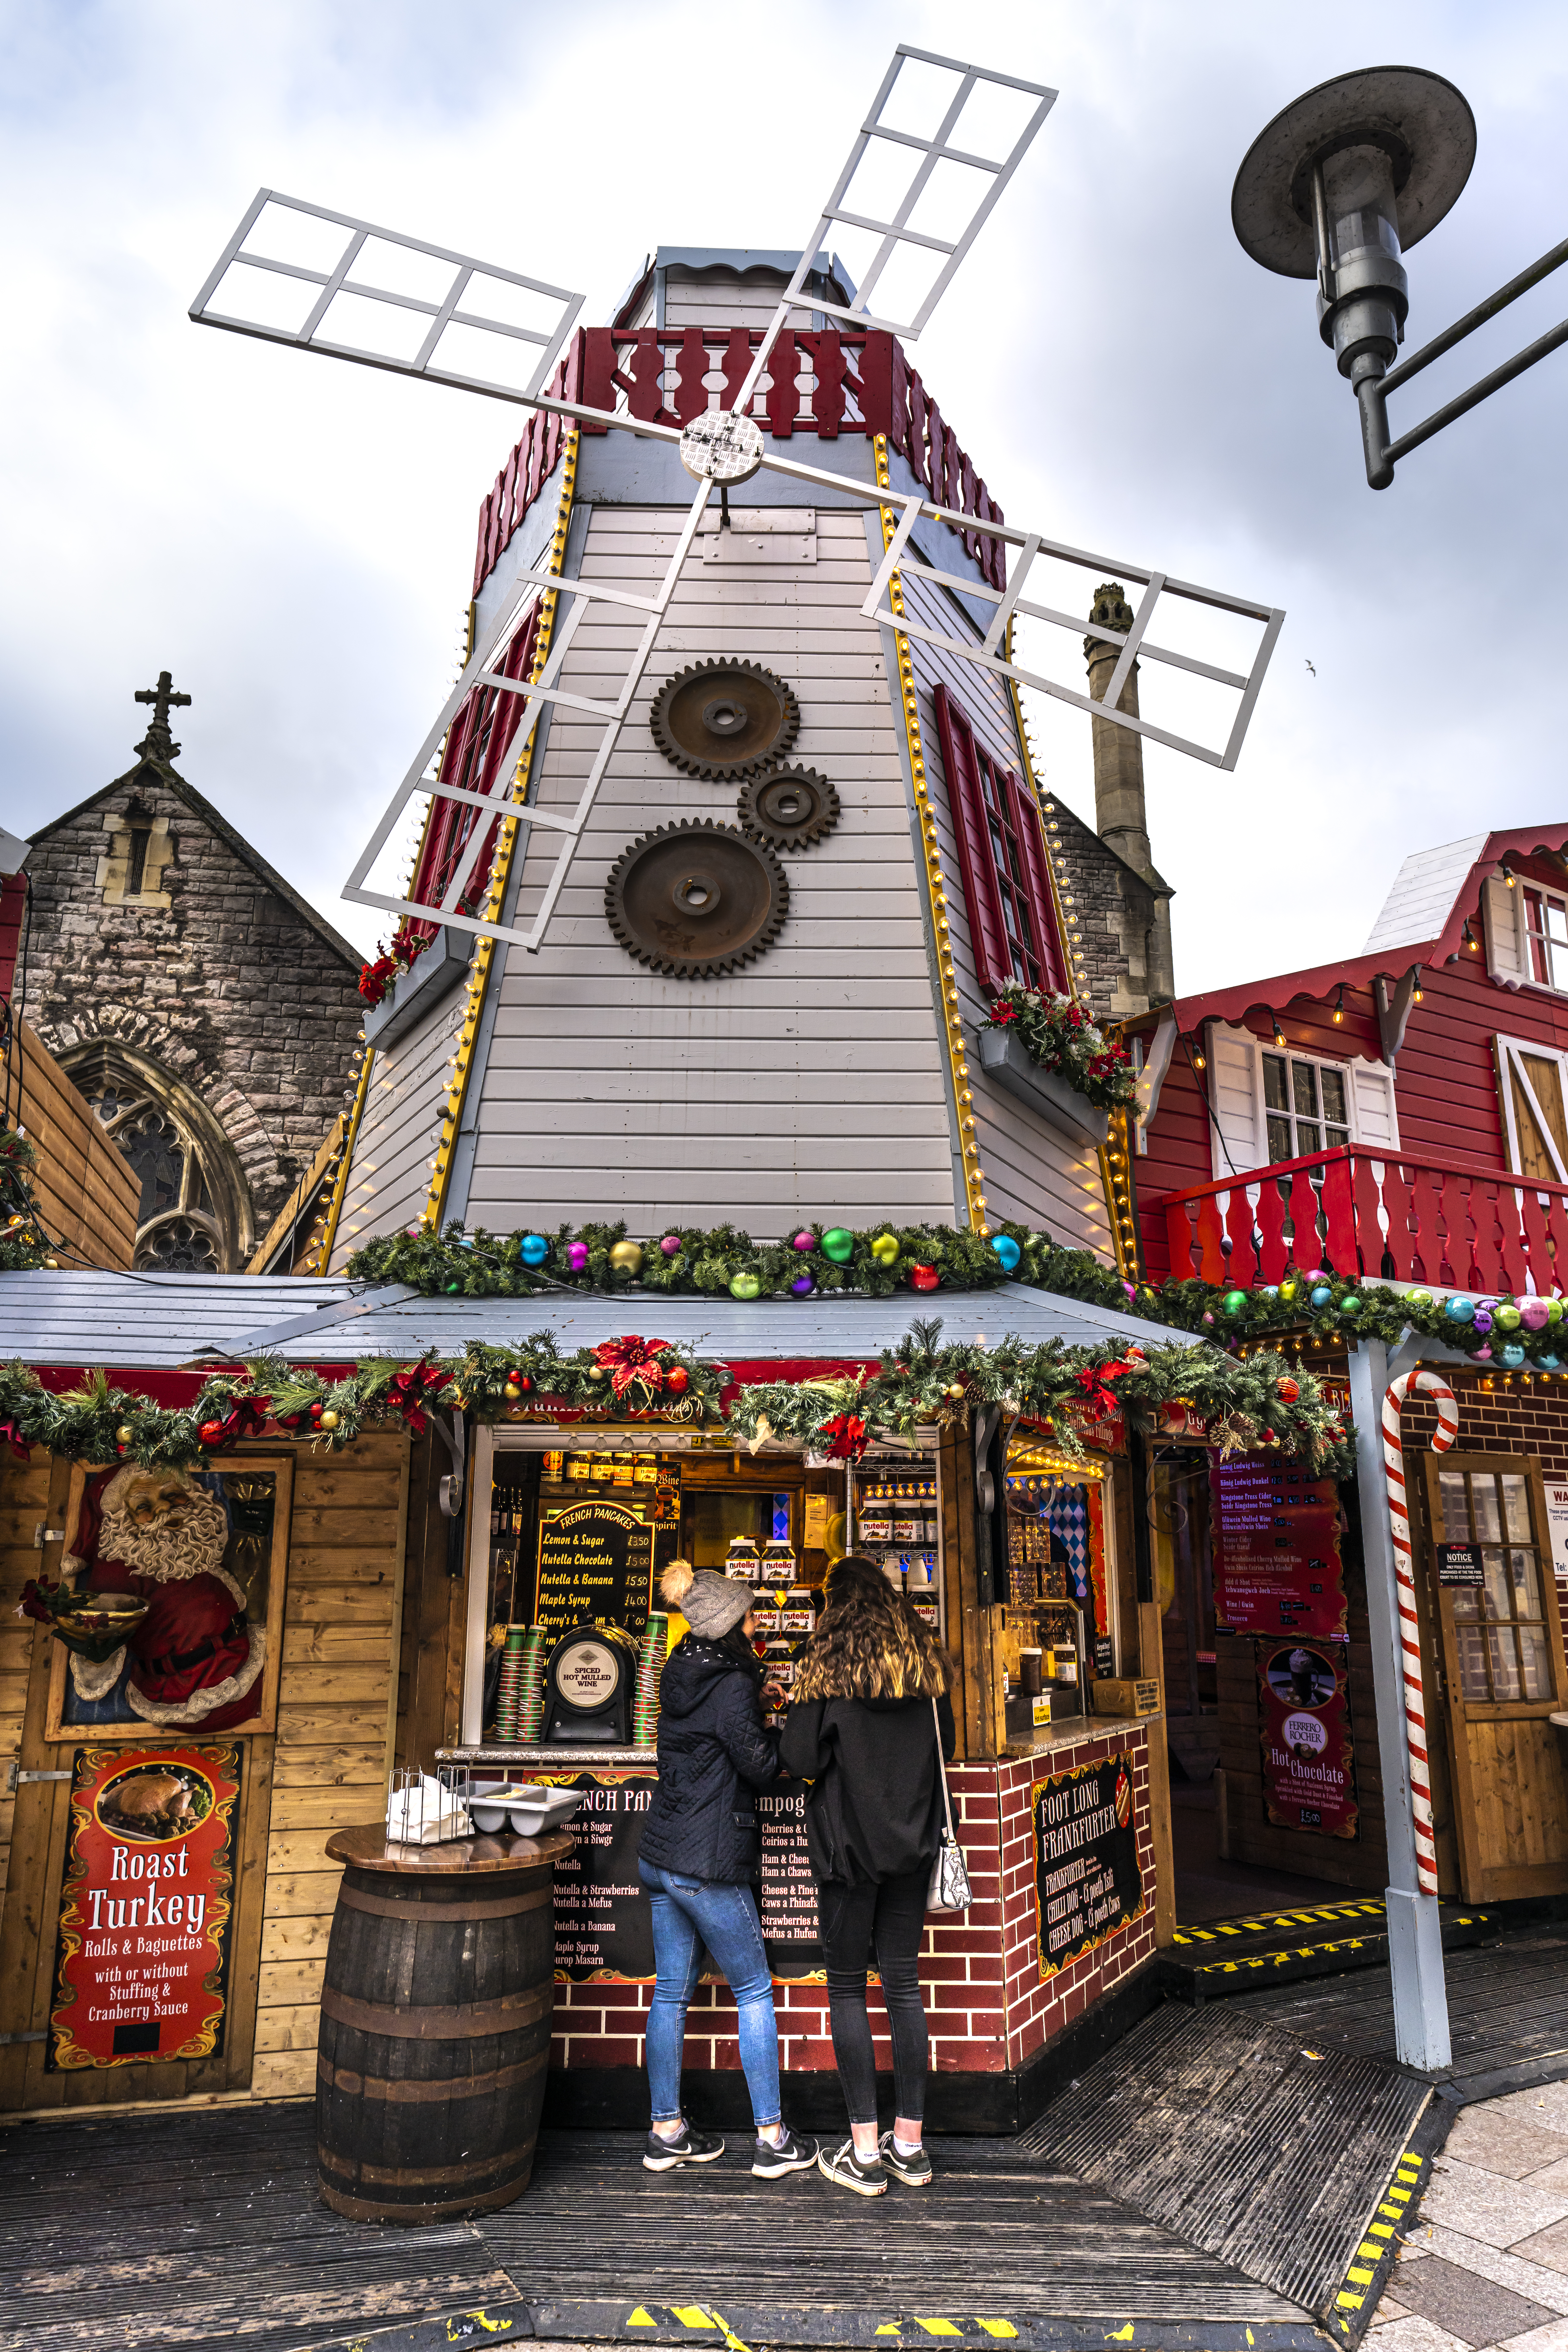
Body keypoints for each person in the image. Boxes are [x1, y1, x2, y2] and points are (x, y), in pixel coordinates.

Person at [781, 1553, 956, 2197]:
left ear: (833, 1609)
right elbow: (951, 1747)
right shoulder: (926, 1666)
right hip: (912, 1850)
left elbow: (797, 1756)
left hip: (847, 1854)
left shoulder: (823, 1671)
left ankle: (863, 2154)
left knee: (849, 1989)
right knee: (904, 1988)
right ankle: (909, 2146)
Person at [637, 1559, 817, 2180]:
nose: (757, 1618)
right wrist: (775, 1727)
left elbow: (713, 1731)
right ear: (731, 1623)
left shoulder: (681, 1668)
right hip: (706, 1861)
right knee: (754, 1990)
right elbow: (760, 1765)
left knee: (670, 1993)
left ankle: (666, 2131)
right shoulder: (733, 1684)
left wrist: (753, 1696)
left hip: (661, 1853)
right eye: (749, 1612)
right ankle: (771, 2139)